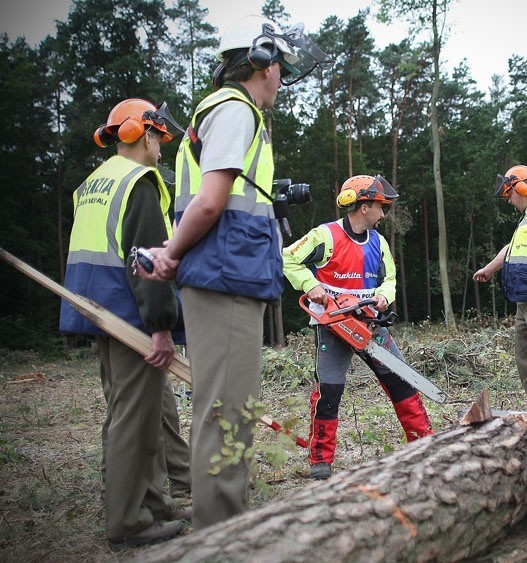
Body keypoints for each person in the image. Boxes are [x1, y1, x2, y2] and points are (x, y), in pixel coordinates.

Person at [136, 15, 332, 529]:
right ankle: (220, 536)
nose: (282, 81)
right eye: (281, 70)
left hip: (228, 275)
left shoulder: (229, 114)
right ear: (262, 63)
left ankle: (220, 524)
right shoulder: (235, 110)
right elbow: (210, 201)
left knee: (224, 406)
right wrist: (171, 254)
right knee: (227, 411)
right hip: (222, 276)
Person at [59, 98, 189, 550]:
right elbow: (146, 260)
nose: (161, 148)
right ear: (143, 134)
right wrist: (160, 326)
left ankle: (154, 506)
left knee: (132, 415)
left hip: (98, 311)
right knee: (134, 422)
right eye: (159, 137)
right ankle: (128, 523)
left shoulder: (93, 182)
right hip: (130, 314)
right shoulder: (140, 182)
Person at [282, 175, 434, 480]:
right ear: (363, 206)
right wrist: (310, 286)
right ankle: (321, 460)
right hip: (334, 325)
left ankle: (424, 443)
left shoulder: (378, 243)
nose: (384, 211)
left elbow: (389, 279)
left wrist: (383, 297)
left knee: (402, 381)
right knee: (329, 390)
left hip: (369, 323)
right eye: (381, 205)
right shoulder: (325, 235)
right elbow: (288, 258)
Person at [473, 165, 527, 421]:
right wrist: (489, 269)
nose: (509, 200)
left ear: (521, 187)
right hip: (524, 299)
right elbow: (510, 249)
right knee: (526, 359)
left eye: (509, 193)